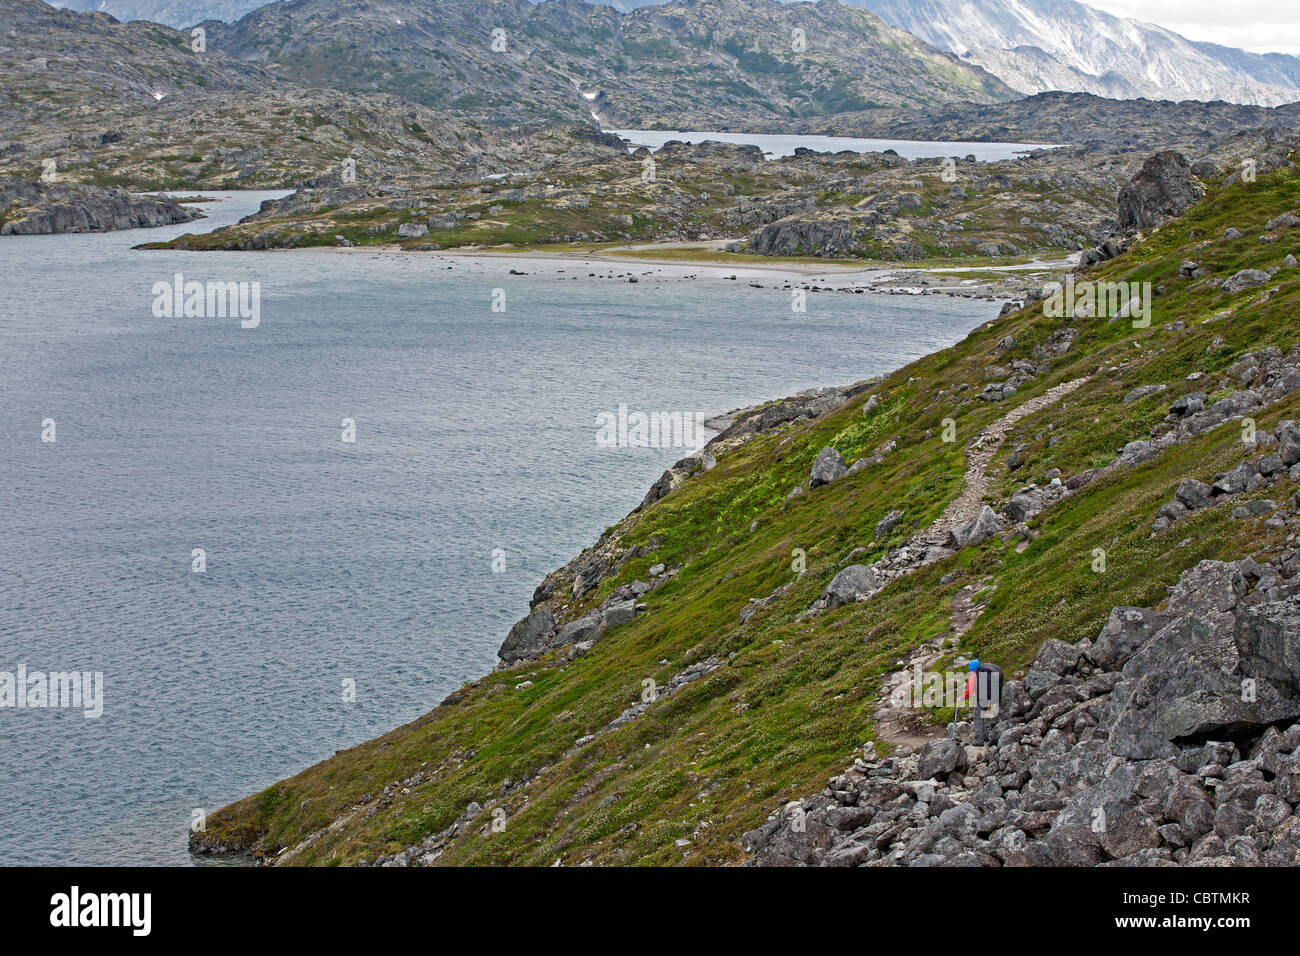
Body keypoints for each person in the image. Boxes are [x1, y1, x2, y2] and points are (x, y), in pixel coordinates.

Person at [961, 659, 1003, 746]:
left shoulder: (974, 675)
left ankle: (979, 740)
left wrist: (962, 698)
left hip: (981, 698)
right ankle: (985, 737)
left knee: (978, 718)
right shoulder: (987, 671)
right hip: (993, 697)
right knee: (983, 716)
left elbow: (969, 690)